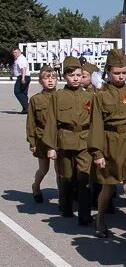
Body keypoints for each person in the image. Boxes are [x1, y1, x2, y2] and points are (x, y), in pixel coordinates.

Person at [88, 49, 126, 242]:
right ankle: (100, 219)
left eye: (124, 72)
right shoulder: (101, 96)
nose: (121, 76)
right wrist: (97, 153)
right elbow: (96, 125)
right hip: (109, 144)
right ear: (108, 73)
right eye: (116, 73)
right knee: (108, 189)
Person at [42, 57, 93, 225]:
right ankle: (66, 207)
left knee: (84, 177)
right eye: (71, 75)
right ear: (64, 76)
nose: (76, 78)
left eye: (79, 74)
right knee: (66, 176)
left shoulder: (89, 96)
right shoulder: (58, 96)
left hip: (84, 141)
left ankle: (85, 214)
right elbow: (51, 122)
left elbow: (95, 122)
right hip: (65, 140)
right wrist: (51, 146)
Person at [26, 66, 58, 203]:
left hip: (59, 138)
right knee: (43, 169)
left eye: (53, 78)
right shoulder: (36, 99)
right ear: (40, 81)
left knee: (60, 171)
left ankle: (63, 197)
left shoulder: (62, 96)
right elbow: (31, 122)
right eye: (46, 78)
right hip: (42, 138)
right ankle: (36, 186)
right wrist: (32, 141)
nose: (50, 81)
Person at [12, 47, 30, 113]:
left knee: (17, 92)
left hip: (22, 77)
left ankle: (27, 107)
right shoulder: (18, 59)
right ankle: (25, 109)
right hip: (24, 76)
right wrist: (12, 75)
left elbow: (23, 68)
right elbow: (15, 68)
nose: (14, 54)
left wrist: (23, 78)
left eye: (16, 52)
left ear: (20, 52)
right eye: (13, 52)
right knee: (23, 93)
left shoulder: (21, 59)